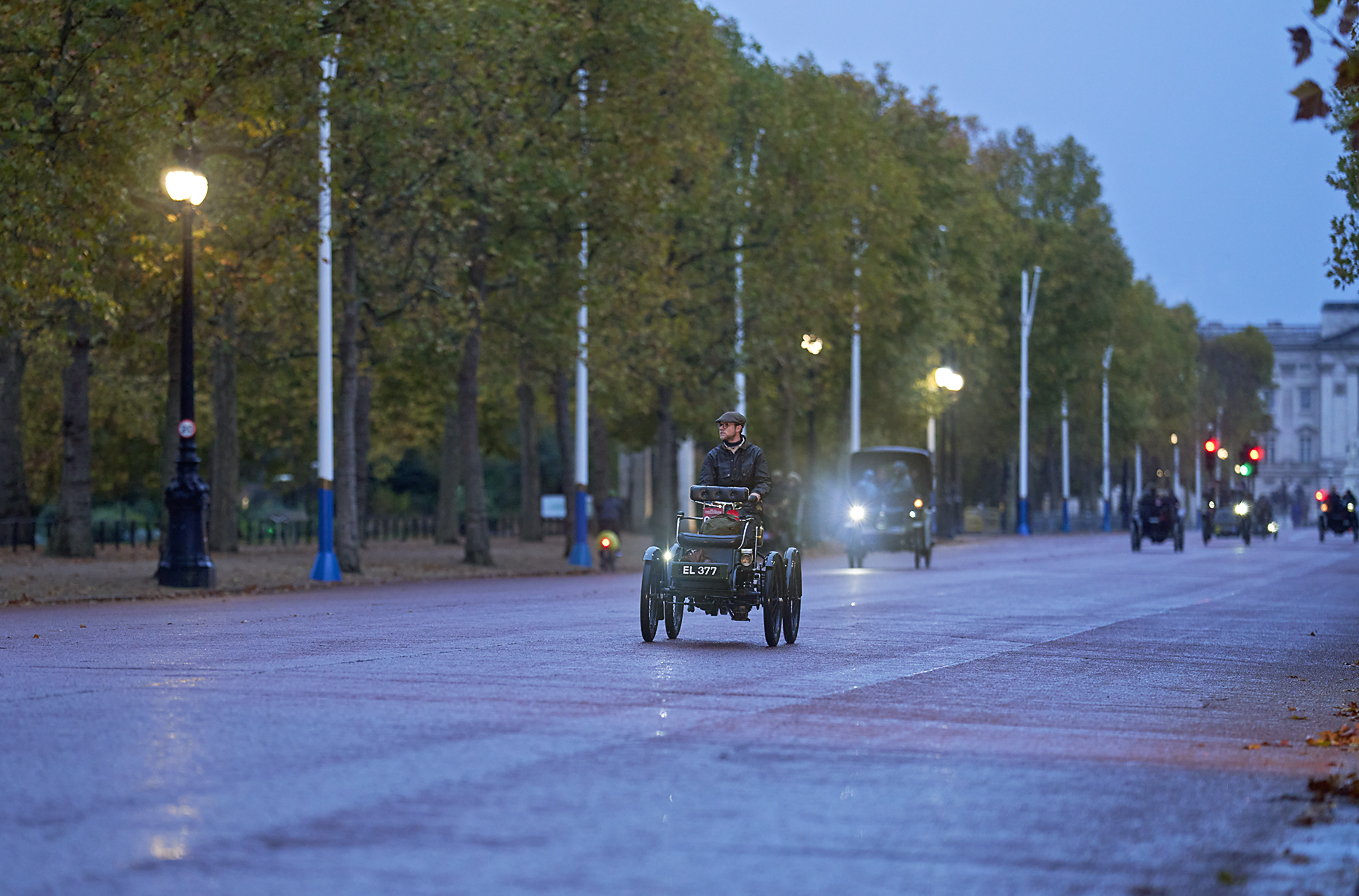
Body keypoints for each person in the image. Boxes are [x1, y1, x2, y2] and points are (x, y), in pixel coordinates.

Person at [698, 410, 772, 620]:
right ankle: (709, 574)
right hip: (718, 514)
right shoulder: (713, 455)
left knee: (744, 539)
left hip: (748, 513)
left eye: (725, 425)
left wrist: (756, 494)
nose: (721, 428)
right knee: (709, 531)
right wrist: (708, 497)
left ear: (738, 428)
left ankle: (742, 580)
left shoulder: (756, 454)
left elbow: (765, 482)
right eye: (720, 425)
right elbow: (705, 484)